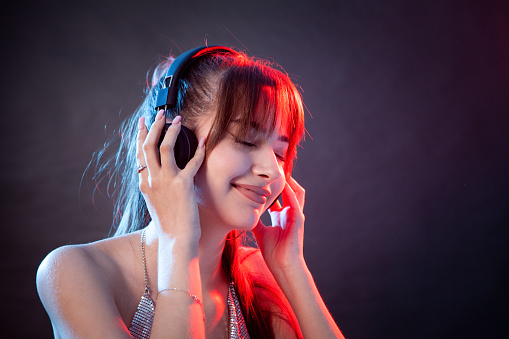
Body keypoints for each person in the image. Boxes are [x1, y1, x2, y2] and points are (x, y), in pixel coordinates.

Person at [36, 46, 344, 339]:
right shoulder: (72, 271)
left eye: (280, 153)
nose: (273, 171)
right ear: (173, 144)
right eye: (247, 141)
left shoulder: (260, 276)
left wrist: (290, 268)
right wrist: (178, 244)